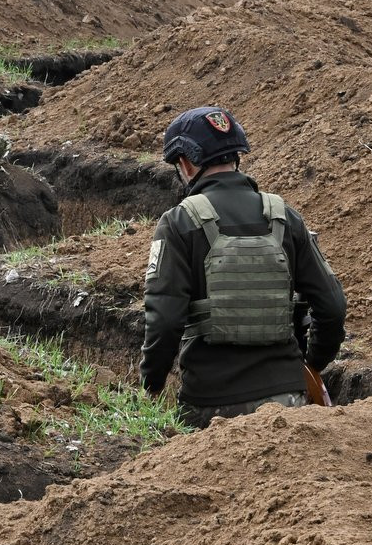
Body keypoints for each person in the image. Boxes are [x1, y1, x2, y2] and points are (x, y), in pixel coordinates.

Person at [140, 106, 346, 429]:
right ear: (235, 156)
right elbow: (332, 307)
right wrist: (312, 363)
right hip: (289, 406)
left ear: (186, 163)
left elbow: (164, 322)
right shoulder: (284, 217)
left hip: (208, 409)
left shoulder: (178, 223)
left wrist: (150, 385)